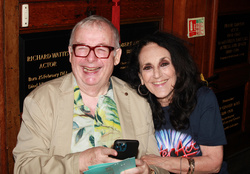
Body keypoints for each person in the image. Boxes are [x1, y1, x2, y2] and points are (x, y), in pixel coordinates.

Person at [13, 15, 168, 174]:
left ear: (116, 57)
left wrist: (148, 172)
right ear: (70, 53)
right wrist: (79, 162)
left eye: (101, 49)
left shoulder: (138, 102)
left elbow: (160, 167)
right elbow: (23, 167)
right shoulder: (41, 101)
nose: (91, 58)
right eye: (82, 48)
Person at [126, 31, 227, 174]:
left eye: (164, 64)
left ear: (178, 68)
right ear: (141, 77)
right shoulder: (137, 107)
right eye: (147, 67)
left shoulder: (202, 98)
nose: (157, 74)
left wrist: (161, 161)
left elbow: (213, 163)